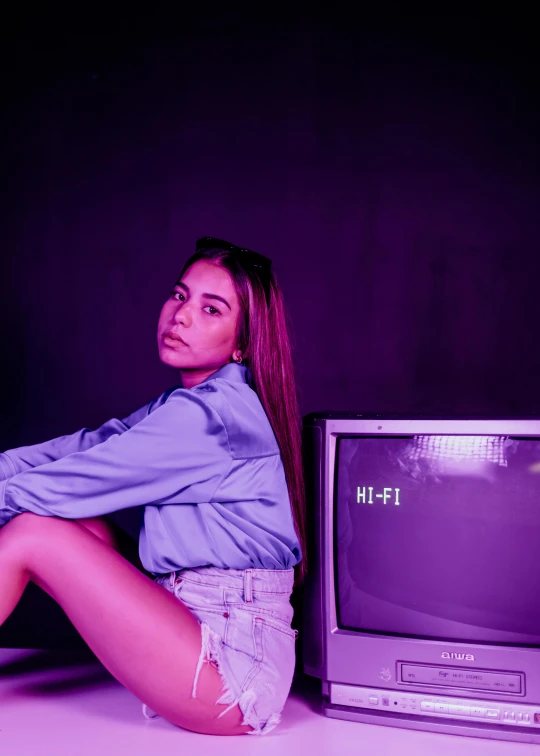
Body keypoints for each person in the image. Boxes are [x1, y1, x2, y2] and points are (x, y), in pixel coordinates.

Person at [0, 237, 306, 736]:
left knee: (34, 531)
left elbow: (80, 478)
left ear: (242, 344)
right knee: (65, 522)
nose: (181, 316)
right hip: (193, 620)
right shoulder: (184, 404)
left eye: (211, 309)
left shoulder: (212, 416)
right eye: (180, 296)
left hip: (234, 670)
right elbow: (86, 448)